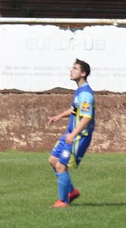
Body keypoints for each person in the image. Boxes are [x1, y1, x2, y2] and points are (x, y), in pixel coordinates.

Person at [47, 59, 95, 208]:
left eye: (75, 68)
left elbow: (86, 117)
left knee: (61, 166)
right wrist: (60, 116)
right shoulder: (79, 91)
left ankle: (64, 201)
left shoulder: (86, 94)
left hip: (78, 137)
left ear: (83, 73)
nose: (71, 71)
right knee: (53, 160)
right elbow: (75, 109)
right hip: (70, 134)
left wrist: (73, 134)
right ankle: (71, 191)